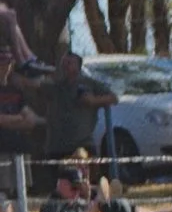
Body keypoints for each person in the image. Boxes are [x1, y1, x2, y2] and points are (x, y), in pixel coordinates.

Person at [35, 49, 116, 185]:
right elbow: (34, 84)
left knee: (86, 182)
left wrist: (92, 101)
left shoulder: (89, 83)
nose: (66, 66)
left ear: (78, 66)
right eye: (64, 63)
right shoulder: (56, 86)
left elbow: (114, 98)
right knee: (61, 185)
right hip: (57, 145)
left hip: (82, 143)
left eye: (70, 63)